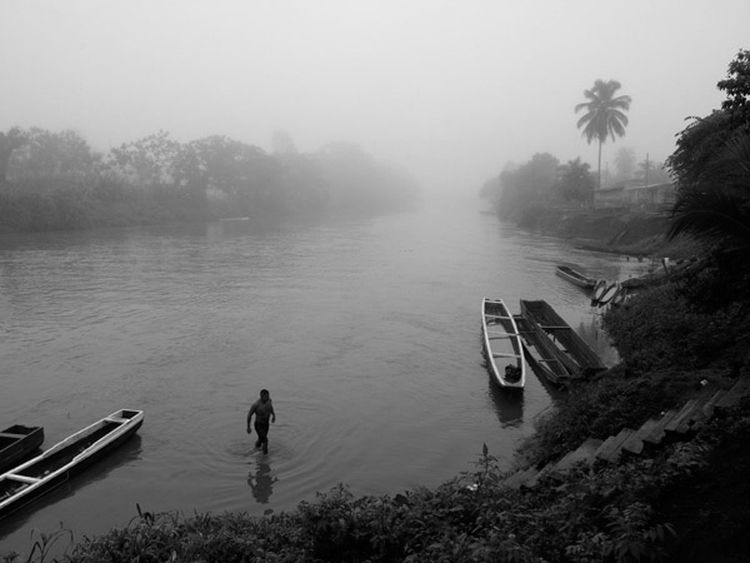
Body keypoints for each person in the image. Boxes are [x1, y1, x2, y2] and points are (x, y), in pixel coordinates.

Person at [247, 389, 276, 454]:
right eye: (266, 397)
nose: (268, 398)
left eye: (268, 396)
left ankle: (255, 448)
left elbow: (271, 408)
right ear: (261, 396)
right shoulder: (256, 405)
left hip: (266, 424)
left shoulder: (269, 401)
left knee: (261, 439)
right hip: (259, 425)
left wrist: (273, 415)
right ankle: (265, 457)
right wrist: (248, 427)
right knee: (265, 440)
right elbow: (249, 415)